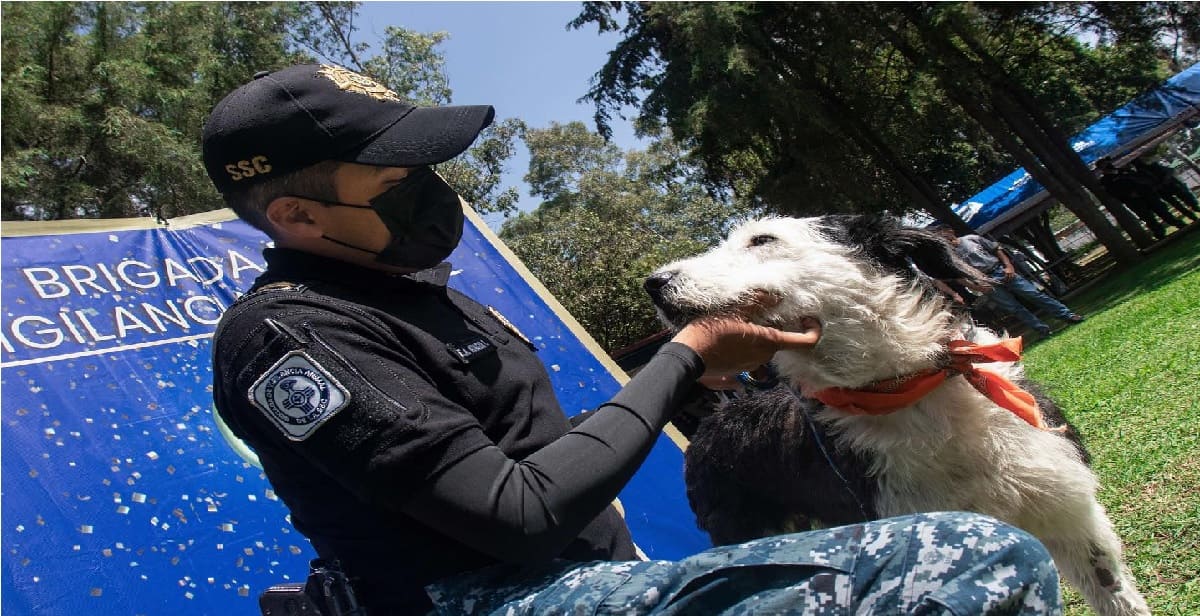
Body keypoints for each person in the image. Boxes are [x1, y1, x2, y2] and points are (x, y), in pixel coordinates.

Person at [204, 65, 1062, 615]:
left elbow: (523, 458)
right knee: (971, 556)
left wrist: (691, 370)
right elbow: (518, 514)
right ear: (299, 215)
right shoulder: (289, 336)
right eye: (398, 181)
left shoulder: (409, 297)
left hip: (593, 578)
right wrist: (684, 358)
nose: (432, 194)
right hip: (490, 600)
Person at [931, 226, 1084, 337]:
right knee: (1014, 308)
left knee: (1034, 294)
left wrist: (1008, 266)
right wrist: (977, 287)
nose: (944, 237)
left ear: (951, 231)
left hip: (1000, 270)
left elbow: (996, 249)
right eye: (939, 237)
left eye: (943, 233)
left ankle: (1067, 315)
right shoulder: (949, 257)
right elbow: (957, 276)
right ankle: (1042, 329)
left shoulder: (971, 239)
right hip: (986, 282)